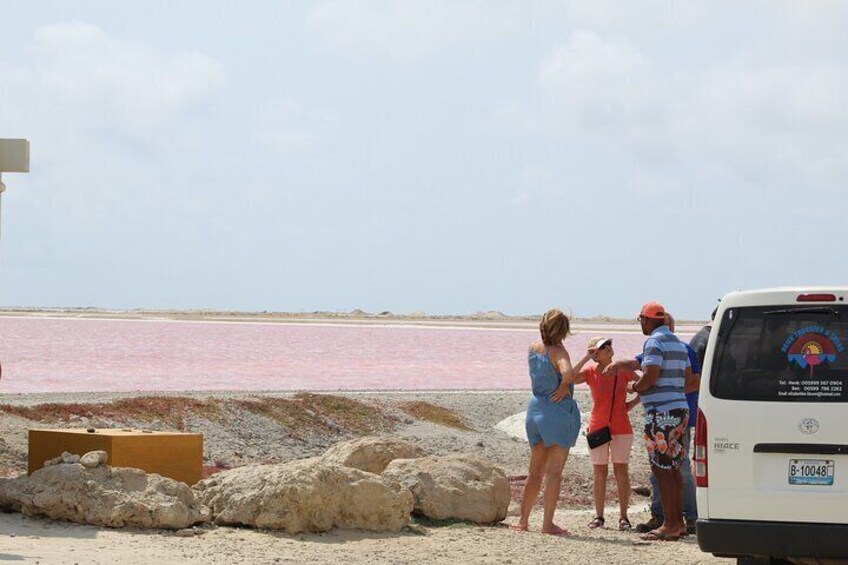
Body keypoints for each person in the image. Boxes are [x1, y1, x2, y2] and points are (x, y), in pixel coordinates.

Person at [511, 309, 592, 536]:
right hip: (556, 412)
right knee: (554, 473)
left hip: (535, 409)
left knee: (534, 472)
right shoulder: (559, 351)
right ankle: (547, 524)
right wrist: (564, 387)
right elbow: (567, 373)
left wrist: (585, 358)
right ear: (563, 330)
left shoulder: (533, 348)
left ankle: (523, 520)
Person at [629, 302, 691, 541]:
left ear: (646, 320)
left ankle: (671, 523)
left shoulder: (654, 342)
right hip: (679, 408)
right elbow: (686, 377)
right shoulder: (677, 342)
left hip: (661, 413)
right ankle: (677, 522)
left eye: (641, 320)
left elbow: (650, 376)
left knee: (660, 467)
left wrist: (635, 387)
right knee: (673, 466)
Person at [574, 337, 639, 531]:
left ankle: (624, 517)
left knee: (621, 471)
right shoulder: (590, 372)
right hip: (597, 427)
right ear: (596, 353)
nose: (609, 347)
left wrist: (631, 404)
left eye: (609, 344)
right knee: (599, 472)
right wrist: (587, 357)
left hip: (622, 427)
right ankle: (599, 516)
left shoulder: (623, 369)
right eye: (603, 346)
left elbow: (646, 383)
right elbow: (567, 378)